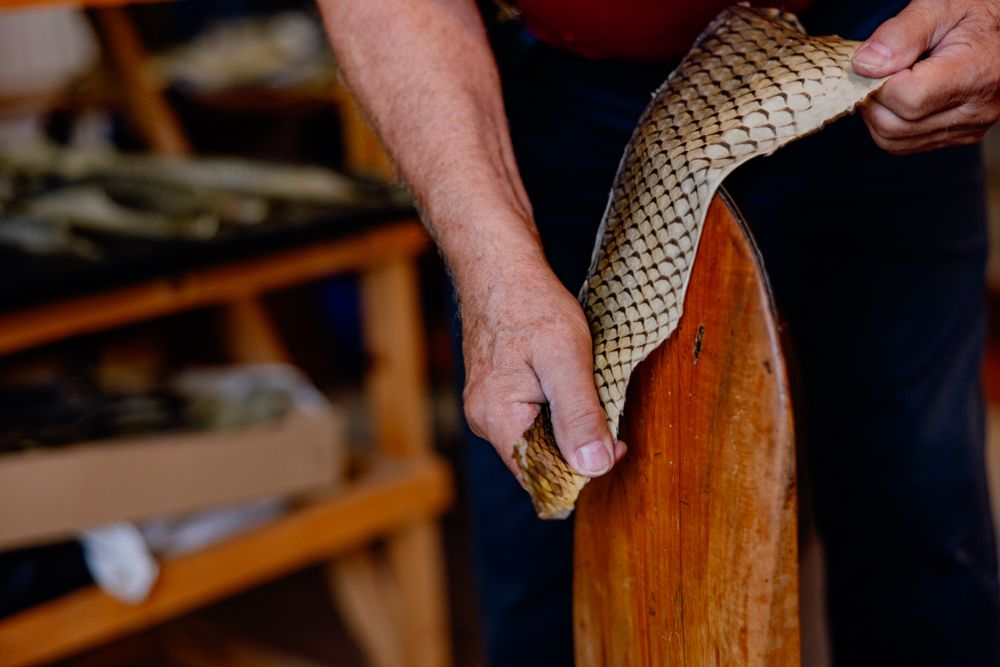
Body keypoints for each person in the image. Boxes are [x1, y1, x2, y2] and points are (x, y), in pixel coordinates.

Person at [318, 0, 1000, 664]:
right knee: (554, 558)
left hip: (876, 48)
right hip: (557, 88)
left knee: (919, 525)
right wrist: (496, 273)